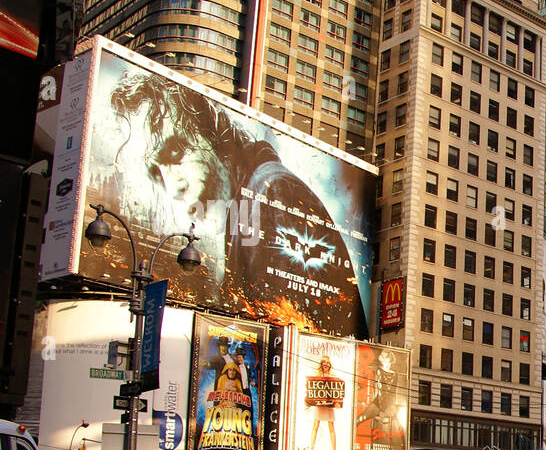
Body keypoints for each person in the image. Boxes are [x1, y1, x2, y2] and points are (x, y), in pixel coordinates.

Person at [105, 70, 366, 337]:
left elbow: (279, 322)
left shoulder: (272, 190)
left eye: (175, 152)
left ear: (209, 134)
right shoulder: (248, 197)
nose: (173, 186)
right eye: (156, 172)